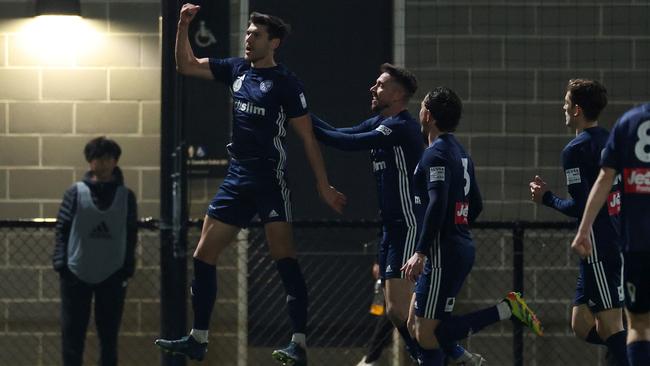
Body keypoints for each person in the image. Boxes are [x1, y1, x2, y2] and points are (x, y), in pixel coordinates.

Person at [155, 4, 346, 366]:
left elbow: (307, 138)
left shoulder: (286, 84)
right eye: (246, 33)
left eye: (255, 35)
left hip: (269, 180)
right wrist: (182, 24)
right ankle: (198, 338)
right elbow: (185, 64)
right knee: (203, 254)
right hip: (236, 179)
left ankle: (299, 344)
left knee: (283, 258)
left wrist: (323, 185)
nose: (248, 39)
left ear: (273, 43)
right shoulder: (237, 69)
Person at [402, 87, 543, 366]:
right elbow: (475, 203)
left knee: (427, 334)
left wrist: (420, 251)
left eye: (421, 108)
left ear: (427, 115)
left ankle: (506, 309)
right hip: (454, 247)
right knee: (412, 325)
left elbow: (437, 204)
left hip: (443, 253)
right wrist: (457, 227)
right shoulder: (460, 152)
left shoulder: (435, 154)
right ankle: (463, 356)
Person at [529, 79, 628, 365]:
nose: (563, 106)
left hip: (598, 244)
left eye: (566, 102)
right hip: (617, 237)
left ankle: (634, 353)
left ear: (577, 110)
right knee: (581, 324)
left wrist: (546, 198)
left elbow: (582, 207)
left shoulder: (575, 150)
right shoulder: (611, 140)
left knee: (611, 327)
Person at [572, 103, 650, 366]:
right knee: (583, 323)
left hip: (635, 242)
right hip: (628, 243)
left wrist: (583, 230)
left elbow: (605, 178)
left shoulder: (629, 122)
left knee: (638, 325)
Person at [53, 136, 138, 366]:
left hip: (112, 274)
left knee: (109, 338)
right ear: (90, 162)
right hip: (76, 273)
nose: (102, 164)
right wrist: (61, 265)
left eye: (108, 159)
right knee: (72, 336)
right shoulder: (75, 193)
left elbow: (131, 234)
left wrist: (127, 268)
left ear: (115, 162)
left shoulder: (126, 197)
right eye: (97, 159)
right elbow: (62, 228)